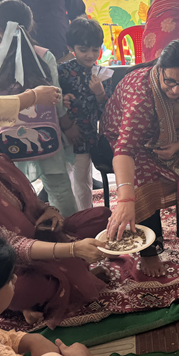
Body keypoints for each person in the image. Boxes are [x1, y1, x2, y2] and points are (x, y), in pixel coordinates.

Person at [0, 115, 111, 327]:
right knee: (23, 290)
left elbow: (33, 202)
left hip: (40, 234)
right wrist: (73, 250)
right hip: (5, 266)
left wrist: (50, 211)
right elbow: (10, 247)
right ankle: (31, 300)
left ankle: (68, 277)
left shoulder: (0, 162)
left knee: (102, 217)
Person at [102, 40, 179, 277]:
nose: (176, 90)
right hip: (130, 139)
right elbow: (125, 149)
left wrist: (177, 145)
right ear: (159, 69)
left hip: (176, 135)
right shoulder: (141, 94)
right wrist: (126, 199)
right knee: (143, 177)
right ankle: (149, 251)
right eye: (170, 81)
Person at [0, 0, 78, 217]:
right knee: (59, 188)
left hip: (6, 139)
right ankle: (72, 230)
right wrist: (68, 126)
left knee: (11, 189)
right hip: (47, 135)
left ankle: (23, 231)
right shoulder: (45, 56)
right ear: (30, 24)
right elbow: (56, 99)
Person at [58, 17, 114, 211]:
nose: (90, 55)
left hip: (86, 136)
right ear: (71, 47)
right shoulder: (62, 72)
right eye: (83, 49)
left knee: (82, 179)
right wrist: (62, 101)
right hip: (62, 134)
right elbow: (52, 101)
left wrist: (100, 93)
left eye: (95, 49)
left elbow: (107, 112)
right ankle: (68, 215)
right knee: (63, 178)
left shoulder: (103, 74)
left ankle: (85, 216)